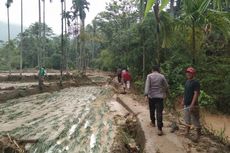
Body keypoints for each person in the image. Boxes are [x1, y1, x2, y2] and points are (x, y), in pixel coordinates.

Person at [144, 65, 169, 136]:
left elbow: (147, 86)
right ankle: (159, 129)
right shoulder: (162, 76)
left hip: (151, 97)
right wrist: (166, 92)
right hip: (160, 97)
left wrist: (146, 95)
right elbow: (166, 86)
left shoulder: (149, 76)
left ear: (152, 70)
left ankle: (152, 122)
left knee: (152, 110)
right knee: (159, 112)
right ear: (158, 70)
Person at [181, 67, 201, 142]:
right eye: (187, 72)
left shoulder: (196, 82)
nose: (188, 74)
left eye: (190, 72)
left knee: (195, 120)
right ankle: (187, 132)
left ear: (193, 74)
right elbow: (185, 92)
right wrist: (183, 100)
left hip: (193, 105)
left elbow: (196, 94)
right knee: (187, 119)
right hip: (186, 104)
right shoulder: (187, 82)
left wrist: (192, 105)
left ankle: (198, 136)